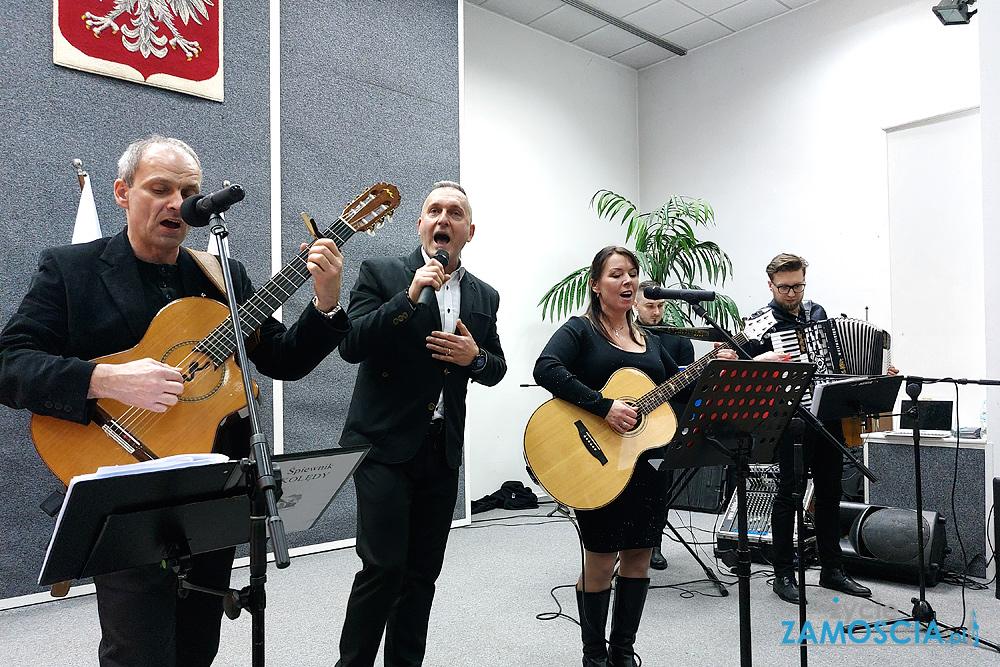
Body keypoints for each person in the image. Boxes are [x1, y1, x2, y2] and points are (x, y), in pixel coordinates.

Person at [0, 135, 350, 666]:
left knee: (197, 643)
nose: (176, 203)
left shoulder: (221, 275)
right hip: (122, 484)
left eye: (188, 192)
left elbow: (282, 361)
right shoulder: (70, 270)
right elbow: (10, 364)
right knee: (137, 649)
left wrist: (325, 305)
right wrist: (106, 379)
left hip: (209, 489)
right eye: (159, 188)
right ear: (122, 192)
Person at [336, 181, 506, 667]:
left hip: (441, 449)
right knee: (383, 569)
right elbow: (352, 347)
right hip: (382, 446)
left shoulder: (484, 296)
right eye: (434, 211)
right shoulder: (383, 273)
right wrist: (408, 298)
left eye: (455, 213)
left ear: (468, 232)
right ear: (421, 225)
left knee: (421, 574)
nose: (443, 220)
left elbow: (497, 369)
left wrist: (476, 359)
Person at [743, 253, 897, 604]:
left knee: (829, 492)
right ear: (770, 285)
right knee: (788, 494)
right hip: (788, 419)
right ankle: (782, 574)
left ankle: (832, 570)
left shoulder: (818, 313)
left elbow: (840, 362)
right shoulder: (759, 324)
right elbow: (738, 368)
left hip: (827, 415)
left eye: (798, 285)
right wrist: (760, 361)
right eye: (784, 287)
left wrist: (876, 371)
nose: (793, 293)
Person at [633, 281, 695, 571]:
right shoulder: (625, 335)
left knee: (659, 487)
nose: (655, 312)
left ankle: (653, 543)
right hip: (629, 422)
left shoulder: (680, 340)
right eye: (649, 305)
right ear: (635, 303)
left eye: (660, 306)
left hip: (665, 425)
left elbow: (686, 388)